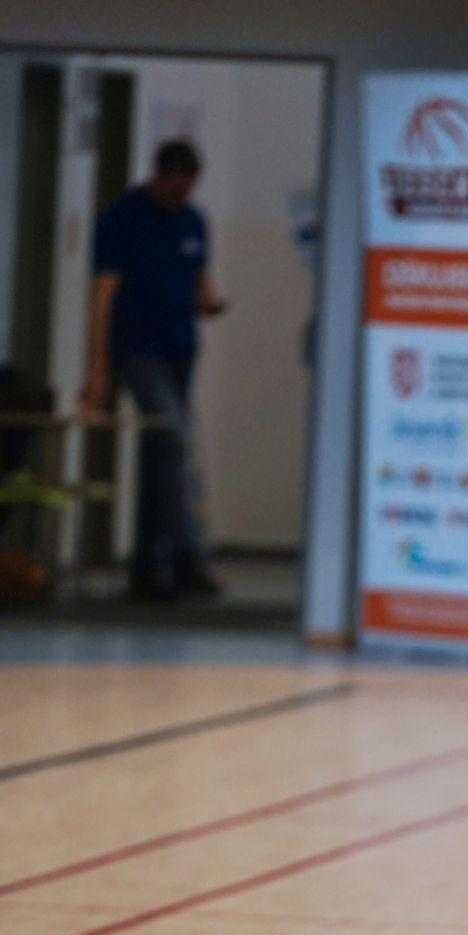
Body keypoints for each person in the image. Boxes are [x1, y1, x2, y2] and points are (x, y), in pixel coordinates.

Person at [81, 139, 227, 602]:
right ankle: (187, 555)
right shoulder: (124, 217)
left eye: (190, 188)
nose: (182, 196)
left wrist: (210, 303)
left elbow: (200, 283)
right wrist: (98, 368)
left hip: (180, 350)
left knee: (161, 454)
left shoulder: (193, 221)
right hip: (137, 351)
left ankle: (148, 565)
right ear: (162, 177)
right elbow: (104, 294)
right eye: (177, 187)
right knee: (174, 440)